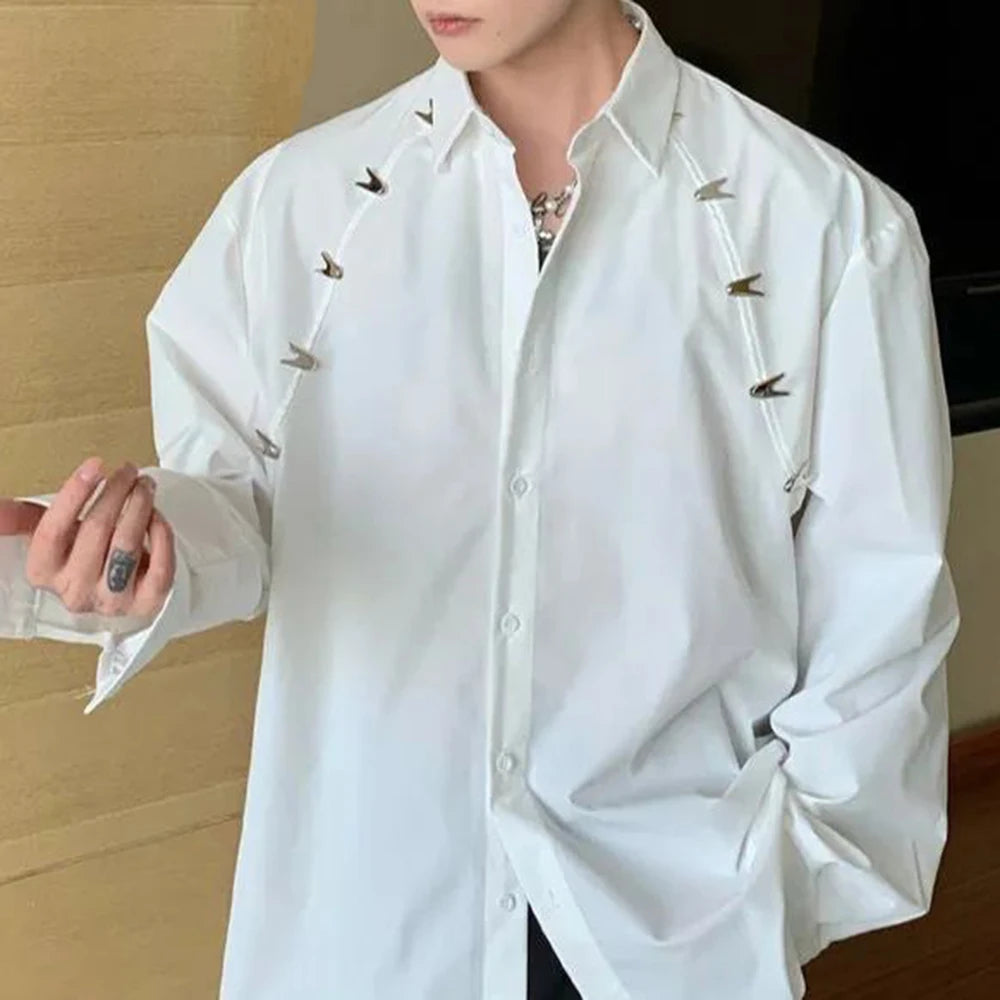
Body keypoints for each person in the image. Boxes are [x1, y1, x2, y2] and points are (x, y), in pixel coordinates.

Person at [0, 1, 960, 998]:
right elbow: (247, 503)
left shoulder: (826, 229)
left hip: (660, 942)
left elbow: (877, 647)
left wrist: (749, 914)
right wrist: (131, 551)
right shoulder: (299, 205)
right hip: (370, 927)